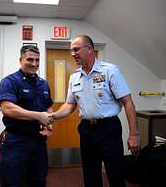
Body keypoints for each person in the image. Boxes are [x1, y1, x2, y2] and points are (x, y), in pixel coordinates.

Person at [51, 35, 140, 187]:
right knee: (90, 174)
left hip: (109, 129)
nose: (72, 53)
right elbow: (69, 105)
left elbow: (128, 102)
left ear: (90, 49)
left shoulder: (110, 71)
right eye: (71, 50)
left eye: (76, 49)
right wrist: (51, 116)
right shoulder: (74, 77)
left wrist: (134, 134)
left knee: (115, 173)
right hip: (86, 130)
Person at [0, 44, 53, 187]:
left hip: (39, 141)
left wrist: (49, 122)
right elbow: (8, 109)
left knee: (38, 180)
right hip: (16, 141)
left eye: (37, 60)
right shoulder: (10, 82)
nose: (34, 64)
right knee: (13, 182)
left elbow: (49, 107)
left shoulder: (43, 84)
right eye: (30, 59)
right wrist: (38, 116)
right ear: (20, 60)